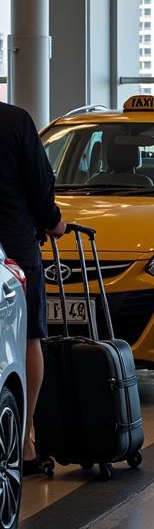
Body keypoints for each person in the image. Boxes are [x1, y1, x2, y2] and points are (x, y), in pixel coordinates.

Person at [0, 102, 66, 473]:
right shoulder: (14, 121)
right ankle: (23, 443)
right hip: (12, 248)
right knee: (26, 340)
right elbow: (41, 185)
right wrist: (54, 222)